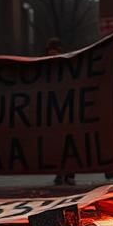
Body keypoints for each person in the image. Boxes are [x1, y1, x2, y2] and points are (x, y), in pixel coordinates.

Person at [44, 38, 76, 187]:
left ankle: (69, 173)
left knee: (68, 142)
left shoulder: (68, 68)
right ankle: (60, 173)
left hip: (67, 110)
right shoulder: (45, 69)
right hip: (53, 110)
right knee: (57, 144)